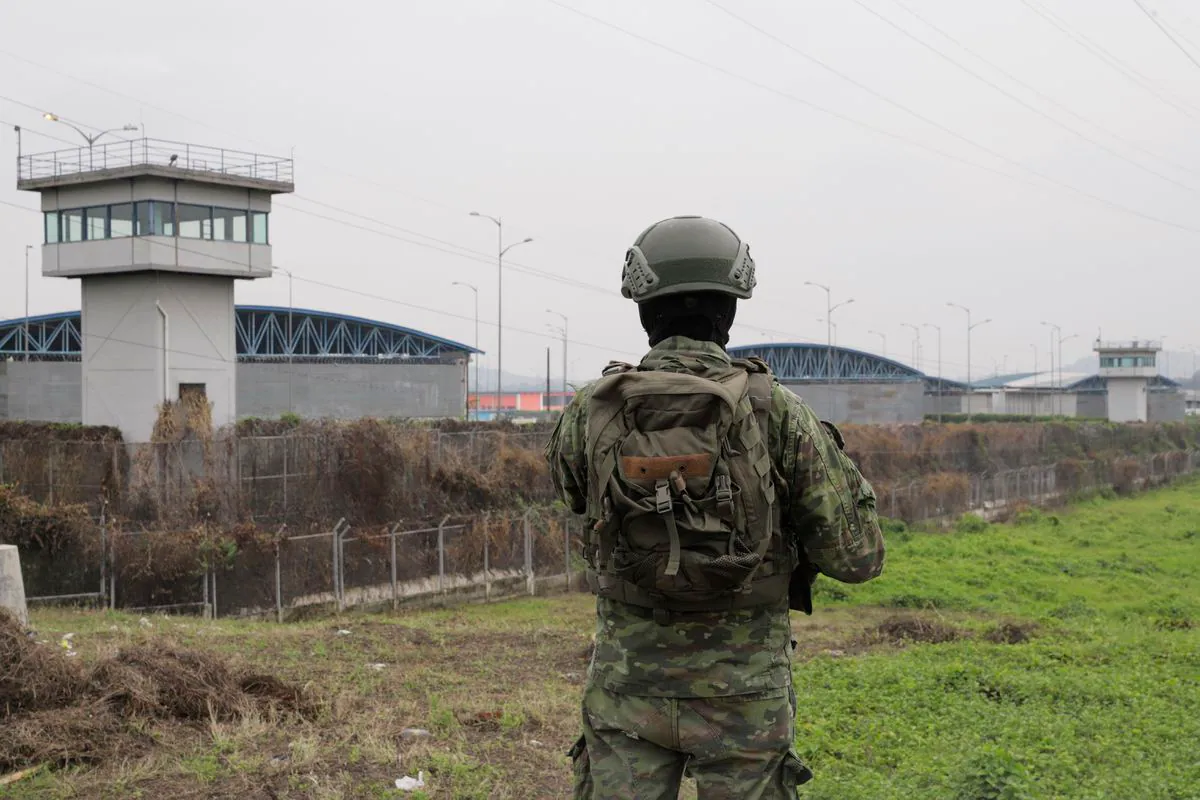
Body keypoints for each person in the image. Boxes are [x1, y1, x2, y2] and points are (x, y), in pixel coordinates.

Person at [545, 215, 886, 799]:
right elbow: (857, 558)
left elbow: (575, 496)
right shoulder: (778, 410)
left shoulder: (591, 409)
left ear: (645, 310)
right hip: (745, 696)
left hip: (628, 686)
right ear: (730, 309)